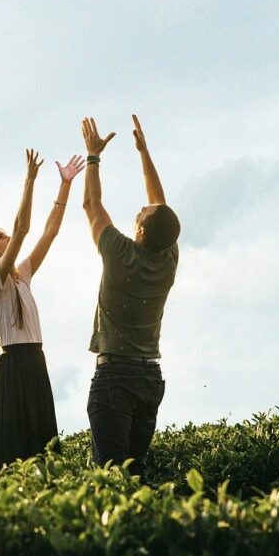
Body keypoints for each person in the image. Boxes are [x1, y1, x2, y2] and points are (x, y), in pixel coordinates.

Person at [81, 115, 180, 482]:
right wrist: (144, 153)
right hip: (149, 377)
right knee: (136, 475)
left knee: (110, 478)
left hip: (116, 377)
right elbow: (160, 206)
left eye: (140, 213)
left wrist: (93, 157)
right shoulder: (168, 257)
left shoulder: (120, 253)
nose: (140, 207)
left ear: (139, 230)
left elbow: (92, 204)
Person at [0, 148, 84, 469]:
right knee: (12, 464)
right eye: (0, 237)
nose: (8, 238)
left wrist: (65, 185)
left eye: (5, 235)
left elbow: (50, 232)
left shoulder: (22, 276)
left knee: (43, 458)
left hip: (35, 364)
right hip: (13, 372)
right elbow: (22, 228)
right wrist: (29, 181)